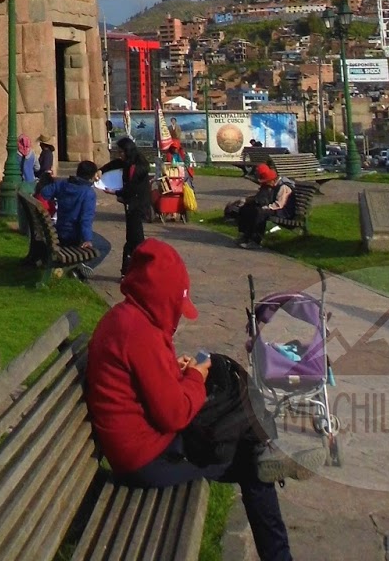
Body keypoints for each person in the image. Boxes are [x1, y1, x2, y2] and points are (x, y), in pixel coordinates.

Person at [86, 240, 311, 561]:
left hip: (147, 445)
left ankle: (267, 448)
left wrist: (178, 372)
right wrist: (197, 376)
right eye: (176, 305)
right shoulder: (139, 331)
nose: (178, 314)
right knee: (253, 466)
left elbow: (147, 386)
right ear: (164, 298)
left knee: (249, 453)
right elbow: (174, 415)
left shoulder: (129, 318)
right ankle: (269, 452)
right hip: (147, 460)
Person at [114, 135, 153, 275]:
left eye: (121, 152)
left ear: (128, 151)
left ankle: (139, 270)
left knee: (136, 240)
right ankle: (128, 270)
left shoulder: (136, 167)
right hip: (132, 204)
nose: (119, 155)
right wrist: (100, 170)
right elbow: (115, 164)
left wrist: (116, 192)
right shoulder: (129, 163)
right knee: (131, 239)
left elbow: (132, 188)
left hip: (136, 205)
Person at [42, 161, 100, 250]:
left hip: (60, 230)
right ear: (92, 176)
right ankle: (84, 263)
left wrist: (56, 198)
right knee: (104, 246)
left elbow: (45, 192)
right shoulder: (88, 193)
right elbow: (86, 219)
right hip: (74, 236)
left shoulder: (62, 183)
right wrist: (87, 239)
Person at [236, 165, 295, 248]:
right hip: (272, 207)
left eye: (266, 181)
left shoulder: (284, 187)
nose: (265, 184)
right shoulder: (271, 185)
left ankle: (256, 240)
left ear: (273, 180)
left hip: (283, 211)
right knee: (247, 208)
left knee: (260, 213)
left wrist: (266, 207)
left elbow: (279, 204)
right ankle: (245, 235)